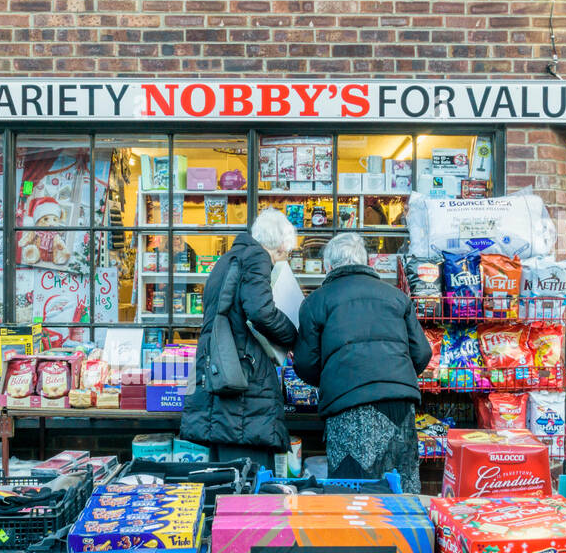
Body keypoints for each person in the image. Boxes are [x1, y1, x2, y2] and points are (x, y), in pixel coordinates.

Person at [292, 233, 432, 492]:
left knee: (352, 492)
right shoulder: (397, 297)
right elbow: (422, 353)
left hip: (348, 409)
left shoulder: (316, 301)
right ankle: (405, 533)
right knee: (400, 487)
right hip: (400, 406)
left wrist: (332, 377)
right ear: (366, 263)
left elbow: (305, 364)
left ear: (329, 267)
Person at [180, 208, 299, 469]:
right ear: (279, 245)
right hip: (244, 379)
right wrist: (292, 335)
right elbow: (260, 311)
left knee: (224, 475)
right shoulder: (257, 257)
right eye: (284, 254)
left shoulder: (227, 259)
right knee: (250, 477)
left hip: (221, 373)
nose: (282, 261)